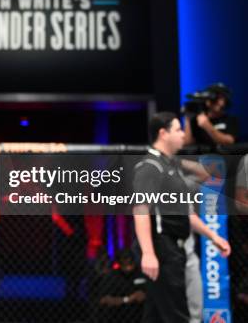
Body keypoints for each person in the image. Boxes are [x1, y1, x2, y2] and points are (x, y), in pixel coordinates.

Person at [132, 112, 231, 323]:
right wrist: (148, 253)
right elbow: (140, 210)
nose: (183, 135)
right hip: (162, 247)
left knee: (156, 315)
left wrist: (214, 236)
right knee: (176, 315)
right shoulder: (150, 167)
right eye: (177, 130)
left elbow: (186, 213)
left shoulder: (171, 165)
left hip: (174, 248)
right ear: (163, 133)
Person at [95, 249, 146, 323]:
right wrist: (129, 299)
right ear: (119, 262)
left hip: (139, 315)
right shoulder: (112, 276)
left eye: (130, 261)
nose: (127, 264)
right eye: (124, 261)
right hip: (117, 316)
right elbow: (104, 300)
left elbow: (143, 296)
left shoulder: (141, 274)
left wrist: (118, 300)